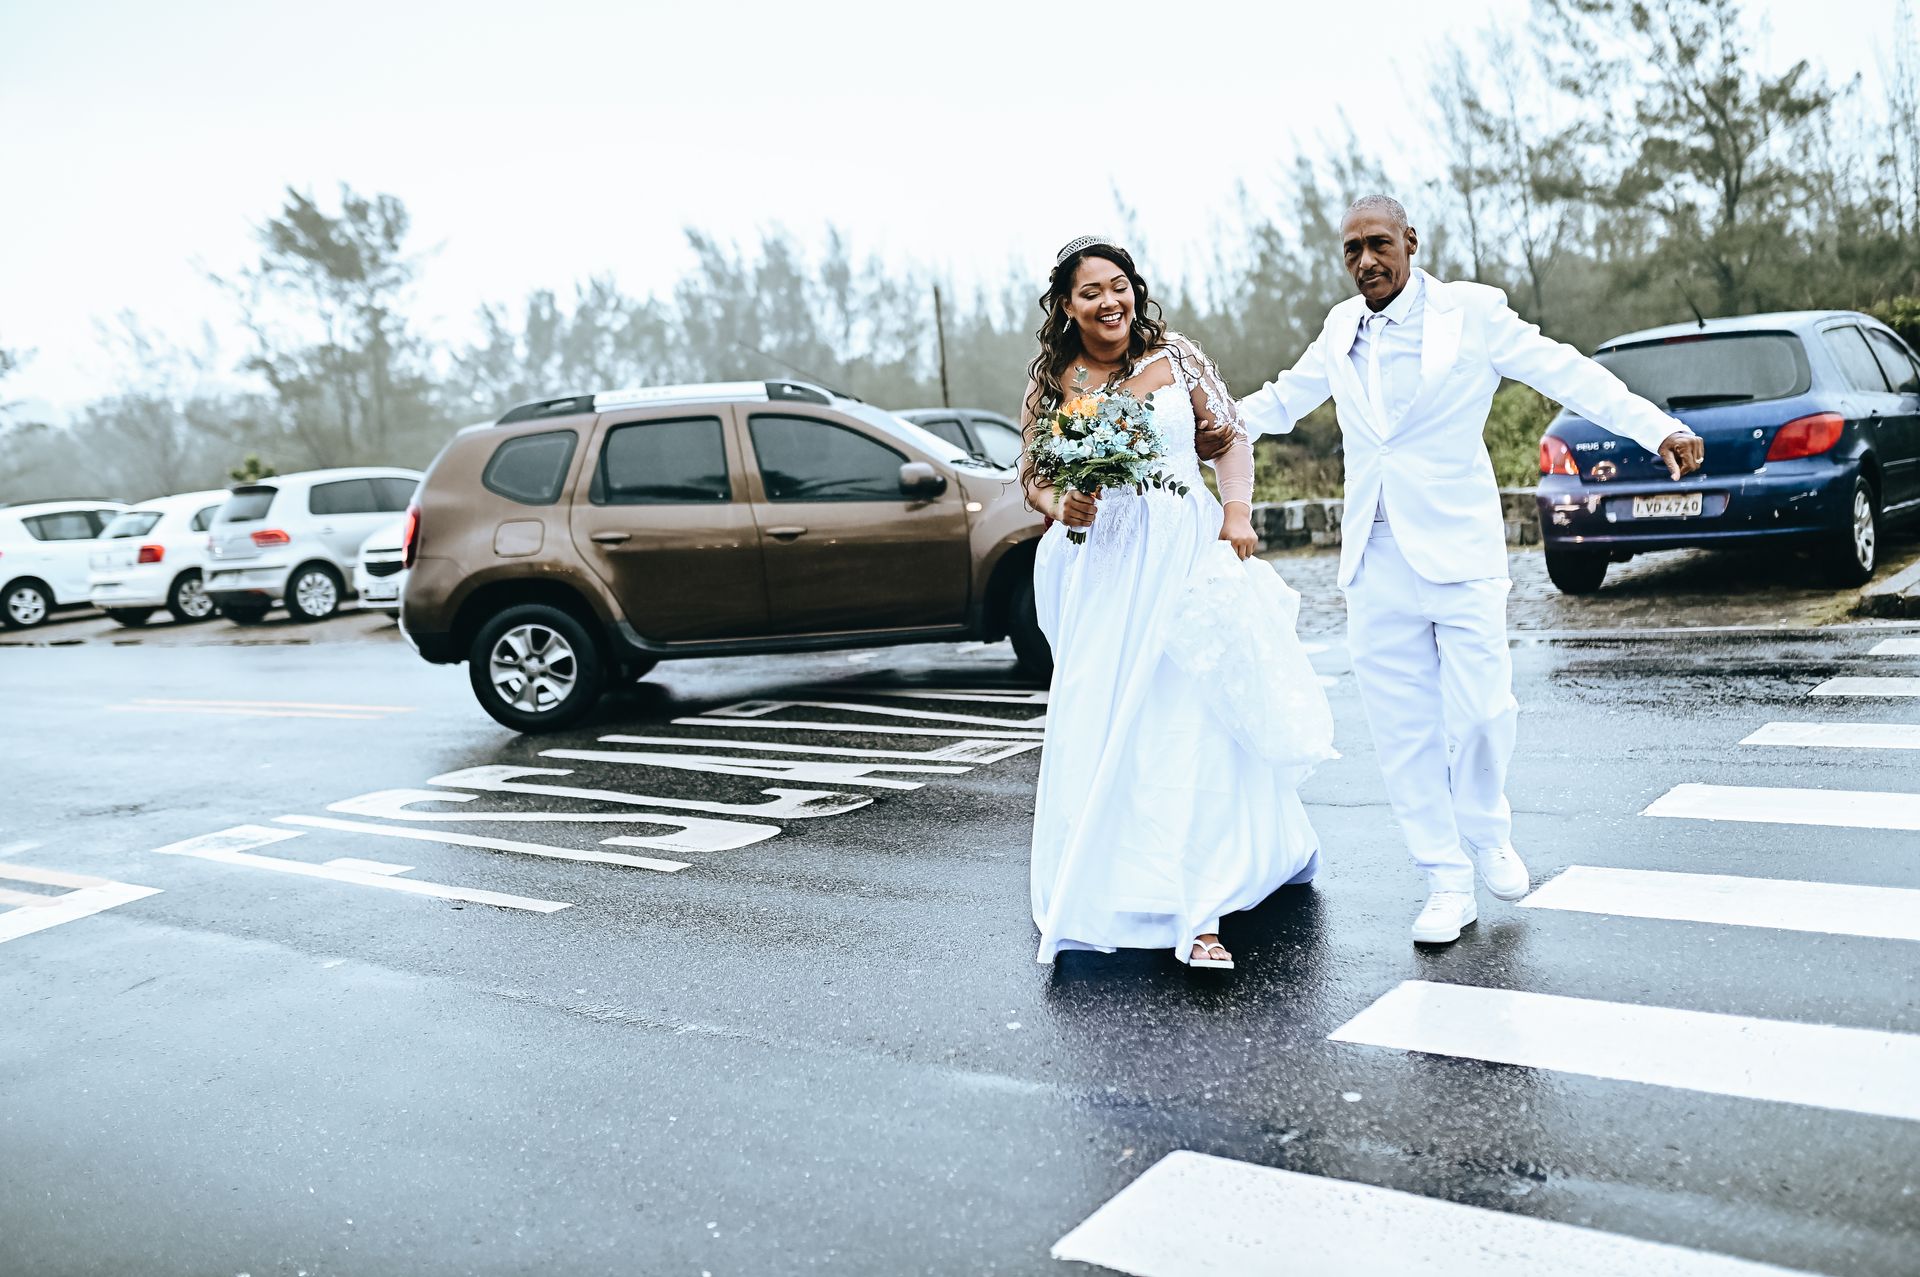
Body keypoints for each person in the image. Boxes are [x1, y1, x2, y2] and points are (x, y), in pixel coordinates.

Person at [1235, 195, 1705, 945]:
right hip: (1374, 558)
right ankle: (1444, 876)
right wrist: (1192, 421)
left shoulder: (1473, 316)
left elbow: (1569, 374)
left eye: (1379, 244)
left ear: (1411, 241)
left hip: (1459, 550)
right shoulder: (1338, 326)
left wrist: (1657, 427)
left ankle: (1488, 831)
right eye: (1352, 249)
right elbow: (1282, 401)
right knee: (1402, 730)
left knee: (1485, 710)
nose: (1365, 262)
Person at [1022, 236, 1333, 970]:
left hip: (1186, 555)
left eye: (1120, 284)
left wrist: (1237, 512)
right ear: (1067, 305)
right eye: (1092, 290)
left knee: (1191, 721)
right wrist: (1059, 503)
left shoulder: (1179, 358)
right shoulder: (1057, 381)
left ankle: (1201, 908)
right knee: (1114, 723)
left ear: (1136, 290)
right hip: (1107, 571)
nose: (1111, 301)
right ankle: (1125, 877)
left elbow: (1226, 439)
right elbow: (1034, 474)